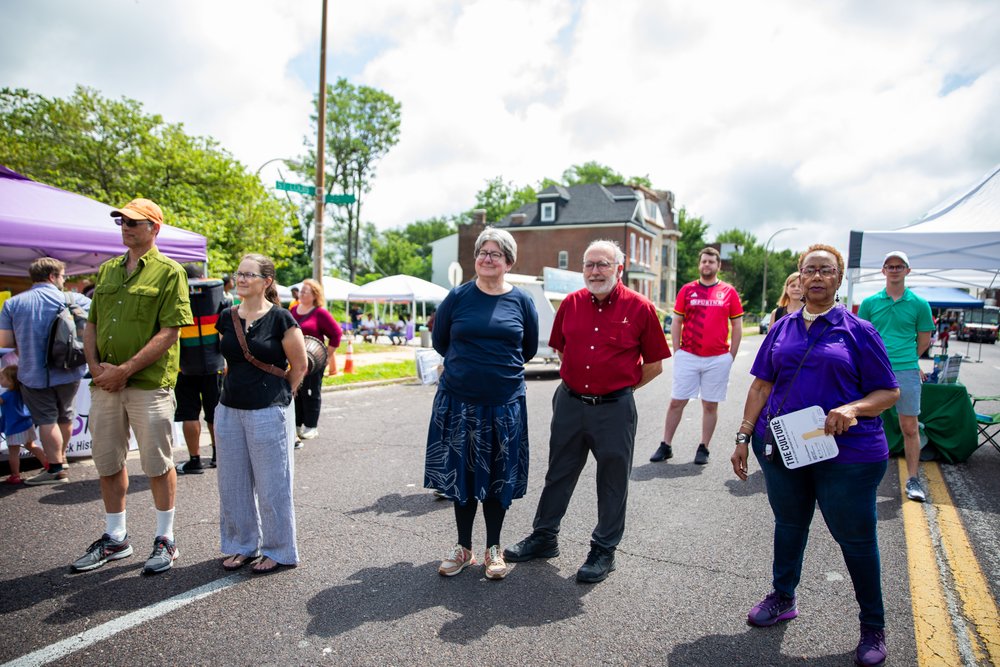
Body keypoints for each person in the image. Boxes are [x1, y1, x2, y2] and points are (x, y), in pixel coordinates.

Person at [729, 244, 898, 667]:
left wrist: (853, 408)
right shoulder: (782, 328)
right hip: (786, 446)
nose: (817, 277)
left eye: (826, 270)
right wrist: (744, 435)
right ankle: (783, 597)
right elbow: (761, 386)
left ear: (838, 278)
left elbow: (888, 392)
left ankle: (872, 626)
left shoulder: (859, 331)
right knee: (789, 525)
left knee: (856, 539)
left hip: (849, 455)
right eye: (810, 270)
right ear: (799, 278)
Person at [504, 240, 670, 583]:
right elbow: (562, 350)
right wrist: (584, 382)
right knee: (558, 472)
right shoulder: (571, 303)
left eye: (602, 264)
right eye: (589, 265)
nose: (595, 271)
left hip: (615, 409)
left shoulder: (640, 308)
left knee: (612, 480)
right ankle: (544, 537)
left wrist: (619, 388)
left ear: (618, 269)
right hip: (570, 403)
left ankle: (604, 549)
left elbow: (654, 365)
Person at [75, 198, 192, 575]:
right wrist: (96, 369)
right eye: (122, 221)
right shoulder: (108, 270)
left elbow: (171, 331)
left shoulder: (170, 271)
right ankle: (116, 538)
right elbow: (91, 324)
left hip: (148, 384)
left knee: (157, 464)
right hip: (106, 384)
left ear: (154, 228)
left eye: (133, 222)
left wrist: (123, 370)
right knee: (108, 462)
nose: (125, 227)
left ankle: (166, 538)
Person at [425, 228, 538, 580]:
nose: (487, 259)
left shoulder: (522, 301)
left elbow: (529, 348)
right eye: (482, 253)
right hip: (460, 402)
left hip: (504, 404)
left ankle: (493, 549)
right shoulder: (457, 297)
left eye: (495, 254)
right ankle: (463, 548)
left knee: (497, 477)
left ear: (509, 262)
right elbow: (441, 341)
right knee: (463, 476)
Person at [215, 254, 307, 574]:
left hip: (268, 410)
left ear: (266, 281)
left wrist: (280, 397)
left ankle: (279, 550)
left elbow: (300, 366)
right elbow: (230, 362)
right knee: (233, 485)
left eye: (248, 274)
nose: (240, 279)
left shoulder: (281, 318)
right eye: (239, 273)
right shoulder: (226, 316)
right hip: (229, 409)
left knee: (273, 486)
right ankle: (242, 545)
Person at [0, 257, 90, 485]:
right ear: (52, 276)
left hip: (32, 372)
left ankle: (56, 469)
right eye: (63, 277)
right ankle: (61, 459)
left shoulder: (13, 304)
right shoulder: (76, 299)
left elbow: (5, 341)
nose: (64, 281)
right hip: (69, 369)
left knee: (47, 419)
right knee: (65, 415)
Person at [652, 247, 743, 465]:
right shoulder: (687, 290)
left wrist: (731, 356)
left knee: (710, 405)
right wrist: (677, 351)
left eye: (711, 262)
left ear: (718, 265)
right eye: (704, 261)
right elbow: (676, 321)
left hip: (717, 358)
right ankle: (666, 445)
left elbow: (737, 325)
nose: (707, 265)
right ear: (699, 264)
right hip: (689, 355)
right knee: (677, 401)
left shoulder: (728, 292)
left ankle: (704, 447)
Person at [857, 251, 935, 503]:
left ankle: (913, 479)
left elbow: (924, 341)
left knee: (909, 427)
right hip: (874, 370)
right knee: (866, 422)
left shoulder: (920, 304)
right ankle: (859, 475)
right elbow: (861, 338)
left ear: (907, 271)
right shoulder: (869, 303)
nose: (894, 270)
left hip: (906, 371)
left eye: (899, 266)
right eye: (889, 266)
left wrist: (907, 360)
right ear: (883, 271)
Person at [174, 264, 227, 474]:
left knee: (189, 414)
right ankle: (218, 456)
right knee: (215, 413)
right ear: (202, 276)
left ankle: (194, 460)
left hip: (184, 367)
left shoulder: (176, 297)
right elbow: (225, 331)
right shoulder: (216, 297)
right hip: (214, 365)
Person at [289, 278, 341, 442]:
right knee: (295, 392)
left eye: (306, 291)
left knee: (311, 392)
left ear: (315, 295)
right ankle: (296, 424)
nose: (302, 293)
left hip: (313, 361)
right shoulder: (293, 310)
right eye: (301, 290)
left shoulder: (320, 313)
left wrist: (327, 356)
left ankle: (311, 426)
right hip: (295, 361)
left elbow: (336, 334)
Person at [1, 365, 49, 484]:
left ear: (11, 381)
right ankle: (48, 464)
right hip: (27, 424)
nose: (0, 380)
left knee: (13, 452)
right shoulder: (22, 392)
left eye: (2, 378)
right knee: (31, 445)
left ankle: (15, 475)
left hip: (14, 427)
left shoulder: (6, 396)